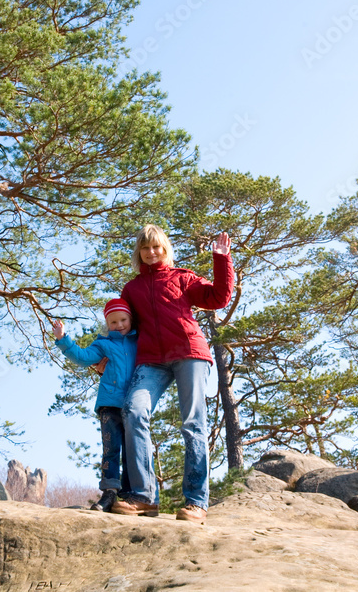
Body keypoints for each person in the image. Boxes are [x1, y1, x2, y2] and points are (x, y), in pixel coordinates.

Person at [111, 224, 233, 523]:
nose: (151, 253)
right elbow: (122, 325)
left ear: (165, 249)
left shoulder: (182, 277)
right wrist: (106, 355)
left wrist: (222, 260)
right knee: (133, 411)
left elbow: (218, 298)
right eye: (145, 248)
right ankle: (143, 496)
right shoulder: (132, 289)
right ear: (138, 252)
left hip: (189, 353)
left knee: (193, 424)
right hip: (151, 360)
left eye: (157, 247)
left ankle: (196, 502)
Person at [52, 298, 138, 512]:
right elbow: (82, 358)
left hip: (135, 405)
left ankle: (129, 495)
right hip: (109, 405)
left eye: (123, 320)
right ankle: (109, 494)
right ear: (107, 325)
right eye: (113, 322)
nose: (119, 325)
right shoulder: (104, 344)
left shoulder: (140, 342)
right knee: (111, 449)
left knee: (133, 450)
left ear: (131, 319)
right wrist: (63, 339)